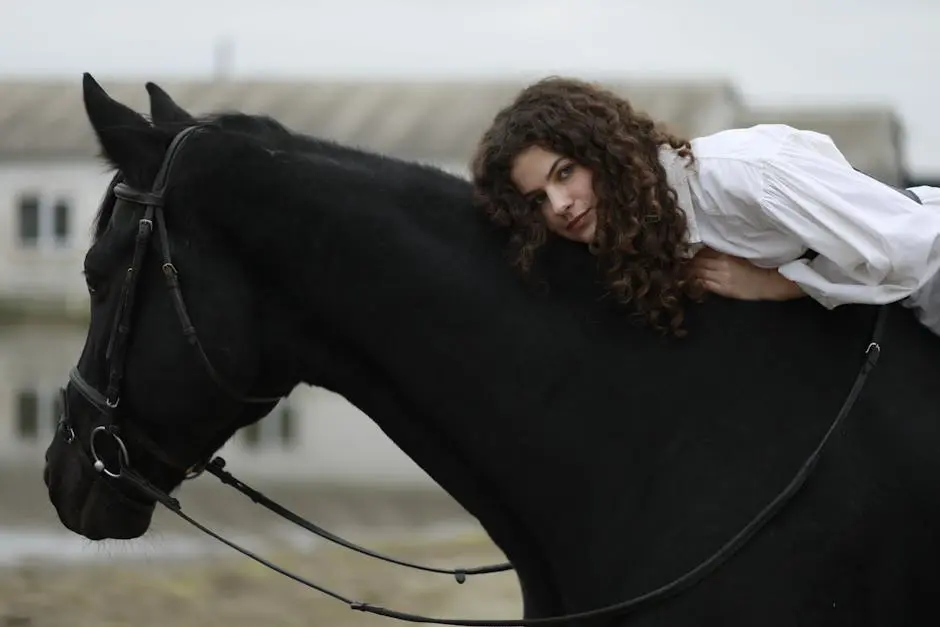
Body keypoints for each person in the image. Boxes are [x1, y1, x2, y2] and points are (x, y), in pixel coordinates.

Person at [469, 76, 940, 339]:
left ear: (602, 152)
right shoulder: (639, 231)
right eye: (538, 200)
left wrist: (779, 285)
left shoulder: (748, 173)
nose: (560, 205)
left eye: (565, 172)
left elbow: (915, 248)